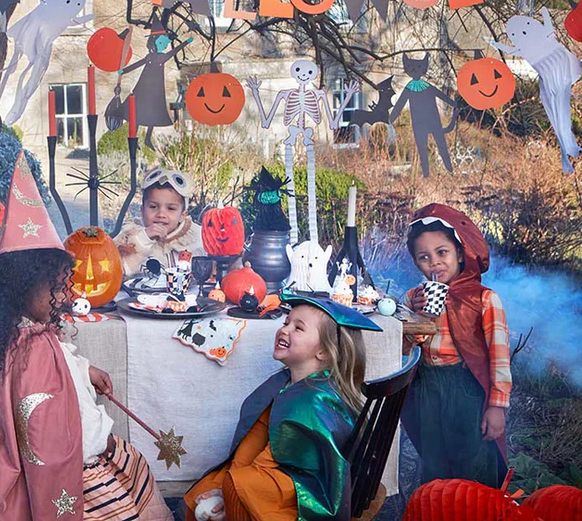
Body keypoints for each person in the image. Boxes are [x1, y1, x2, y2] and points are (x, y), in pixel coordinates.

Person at [0, 152, 173, 520]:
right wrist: (104, 442)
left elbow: (63, 373)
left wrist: (86, 369)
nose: (65, 296)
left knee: (134, 464)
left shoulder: (13, 336)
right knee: (128, 477)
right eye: (56, 288)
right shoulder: (35, 355)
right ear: (20, 286)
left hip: (41, 460)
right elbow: (59, 422)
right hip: (72, 471)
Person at [185, 295, 381, 521]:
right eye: (286, 323)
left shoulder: (312, 401)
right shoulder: (284, 383)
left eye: (298, 328)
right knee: (216, 483)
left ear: (324, 352)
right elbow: (253, 441)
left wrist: (229, 492)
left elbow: (274, 464)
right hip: (283, 472)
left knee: (240, 485)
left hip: (308, 492)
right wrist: (224, 483)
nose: (285, 330)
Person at [401, 203, 511, 487]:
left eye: (442, 252)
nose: (434, 263)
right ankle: (438, 506)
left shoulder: (484, 300)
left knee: (472, 457)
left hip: (465, 389)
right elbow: (403, 350)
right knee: (434, 458)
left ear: (460, 254)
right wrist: (418, 318)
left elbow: (499, 358)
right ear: (416, 263)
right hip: (427, 387)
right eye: (423, 257)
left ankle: (476, 508)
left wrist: (497, 406)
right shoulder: (414, 297)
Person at [115, 167, 204, 276]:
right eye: (153, 207)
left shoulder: (197, 237)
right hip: (141, 292)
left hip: (188, 293)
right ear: (142, 211)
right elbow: (114, 272)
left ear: (182, 215)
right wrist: (143, 239)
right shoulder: (130, 236)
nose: (161, 214)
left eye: (171, 209)